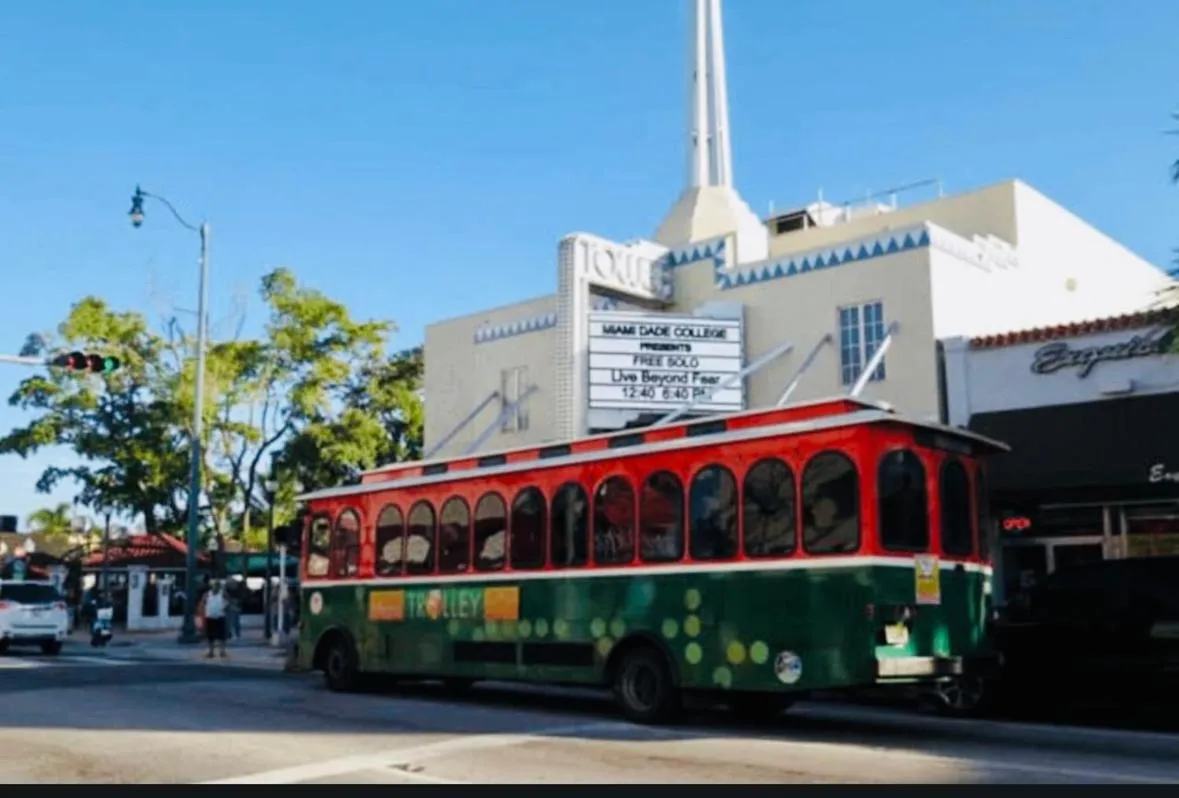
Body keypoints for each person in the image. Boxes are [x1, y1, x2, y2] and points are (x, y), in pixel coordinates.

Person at [197, 579, 229, 658]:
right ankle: (211, 651)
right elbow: (202, 603)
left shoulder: (223, 594)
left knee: (222, 636)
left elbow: (228, 602)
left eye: (218, 586)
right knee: (210, 636)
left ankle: (222, 651)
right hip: (210, 617)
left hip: (220, 616)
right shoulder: (207, 594)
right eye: (215, 586)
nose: (216, 587)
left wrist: (225, 608)